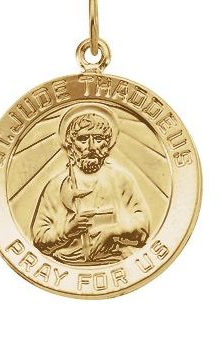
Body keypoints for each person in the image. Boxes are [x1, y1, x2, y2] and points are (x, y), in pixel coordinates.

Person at [31, 108, 149, 265]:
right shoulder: (57, 185)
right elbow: (39, 237)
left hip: (116, 260)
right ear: (71, 146)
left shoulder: (121, 180)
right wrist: (67, 231)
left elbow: (142, 227)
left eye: (98, 139)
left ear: (107, 144)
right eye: (83, 139)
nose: (92, 147)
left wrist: (114, 231)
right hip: (68, 263)